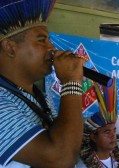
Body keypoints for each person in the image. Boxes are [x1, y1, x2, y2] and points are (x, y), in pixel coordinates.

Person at [0, 0, 85, 167]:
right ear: (10, 47)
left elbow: (65, 140)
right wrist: (71, 83)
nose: (51, 47)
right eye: (42, 40)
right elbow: (61, 158)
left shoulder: (40, 95)